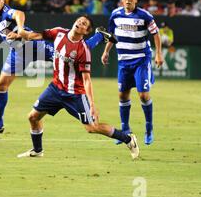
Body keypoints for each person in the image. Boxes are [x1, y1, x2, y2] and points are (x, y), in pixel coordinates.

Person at [0, 0, 116, 138]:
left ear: (4, 0)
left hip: (34, 46)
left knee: (68, 53)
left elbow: (19, 13)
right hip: (18, 53)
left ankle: (99, 37)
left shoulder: (7, 12)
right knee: (1, 85)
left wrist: (20, 30)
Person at [16, 16, 139, 159]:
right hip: (55, 88)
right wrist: (19, 32)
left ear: (86, 31)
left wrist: (92, 105)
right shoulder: (59, 32)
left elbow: (87, 80)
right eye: (79, 20)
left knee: (92, 128)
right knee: (33, 117)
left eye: (84, 24)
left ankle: (129, 139)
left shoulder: (84, 50)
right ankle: (37, 150)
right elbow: (35, 35)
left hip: (74, 94)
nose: (80, 22)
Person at [101, 0, 164, 145]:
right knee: (123, 96)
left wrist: (158, 54)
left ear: (136, 0)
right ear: (122, 0)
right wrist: (106, 51)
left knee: (143, 95)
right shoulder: (115, 14)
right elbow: (112, 35)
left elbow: (156, 33)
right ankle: (125, 130)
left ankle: (149, 127)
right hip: (123, 61)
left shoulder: (145, 16)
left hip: (141, 59)